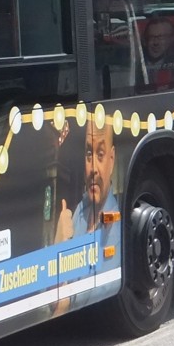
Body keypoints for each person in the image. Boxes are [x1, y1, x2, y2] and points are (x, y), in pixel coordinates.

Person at [52, 118, 121, 314]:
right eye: (89, 154)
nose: (93, 169)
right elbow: (49, 298)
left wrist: (63, 290)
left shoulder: (115, 223)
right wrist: (59, 247)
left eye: (100, 154)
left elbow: (81, 303)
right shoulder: (79, 214)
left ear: (112, 158)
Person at [140, 16, 174, 89]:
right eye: (151, 37)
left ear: (172, 39)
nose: (156, 43)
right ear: (145, 41)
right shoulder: (136, 65)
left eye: (161, 37)